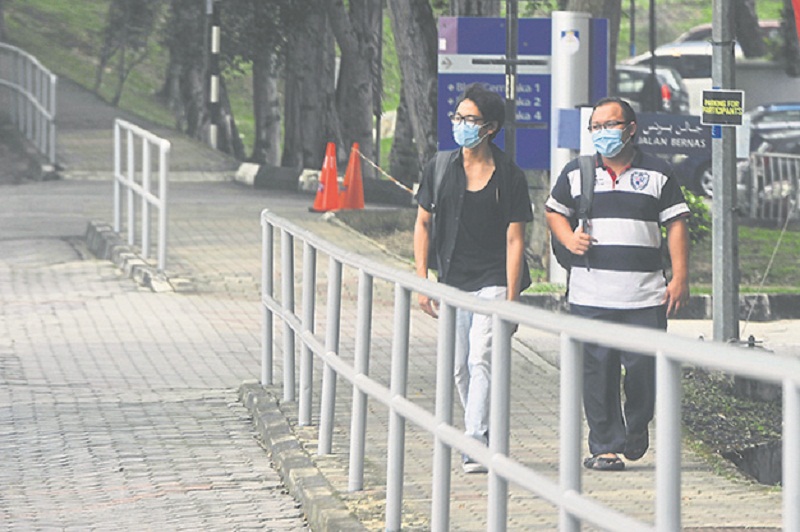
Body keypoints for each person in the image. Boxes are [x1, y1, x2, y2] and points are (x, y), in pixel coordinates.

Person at [545, 96, 690, 472]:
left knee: (643, 369)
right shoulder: (576, 172)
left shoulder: (658, 173)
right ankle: (605, 445)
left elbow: (675, 224)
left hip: (645, 295)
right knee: (597, 372)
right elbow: (553, 212)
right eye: (596, 127)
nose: (603, 133)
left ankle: (637, 426)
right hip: (591, 295)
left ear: (631, 129)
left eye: (611, 125)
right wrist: (568, 239)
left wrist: (680, 277)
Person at [413, 83, 533, 474]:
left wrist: (513, 298)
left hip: (494, 278)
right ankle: (482, 430)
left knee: (481, 356)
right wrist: (422, 279)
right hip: (452, 278)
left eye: (470, 119)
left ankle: (475, 441)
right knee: (459, 368)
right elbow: (423, 223)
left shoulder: (509, 175)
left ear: (490, 128)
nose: (461, 125)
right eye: (458, 118)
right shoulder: (440, 166)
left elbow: (516, 239)